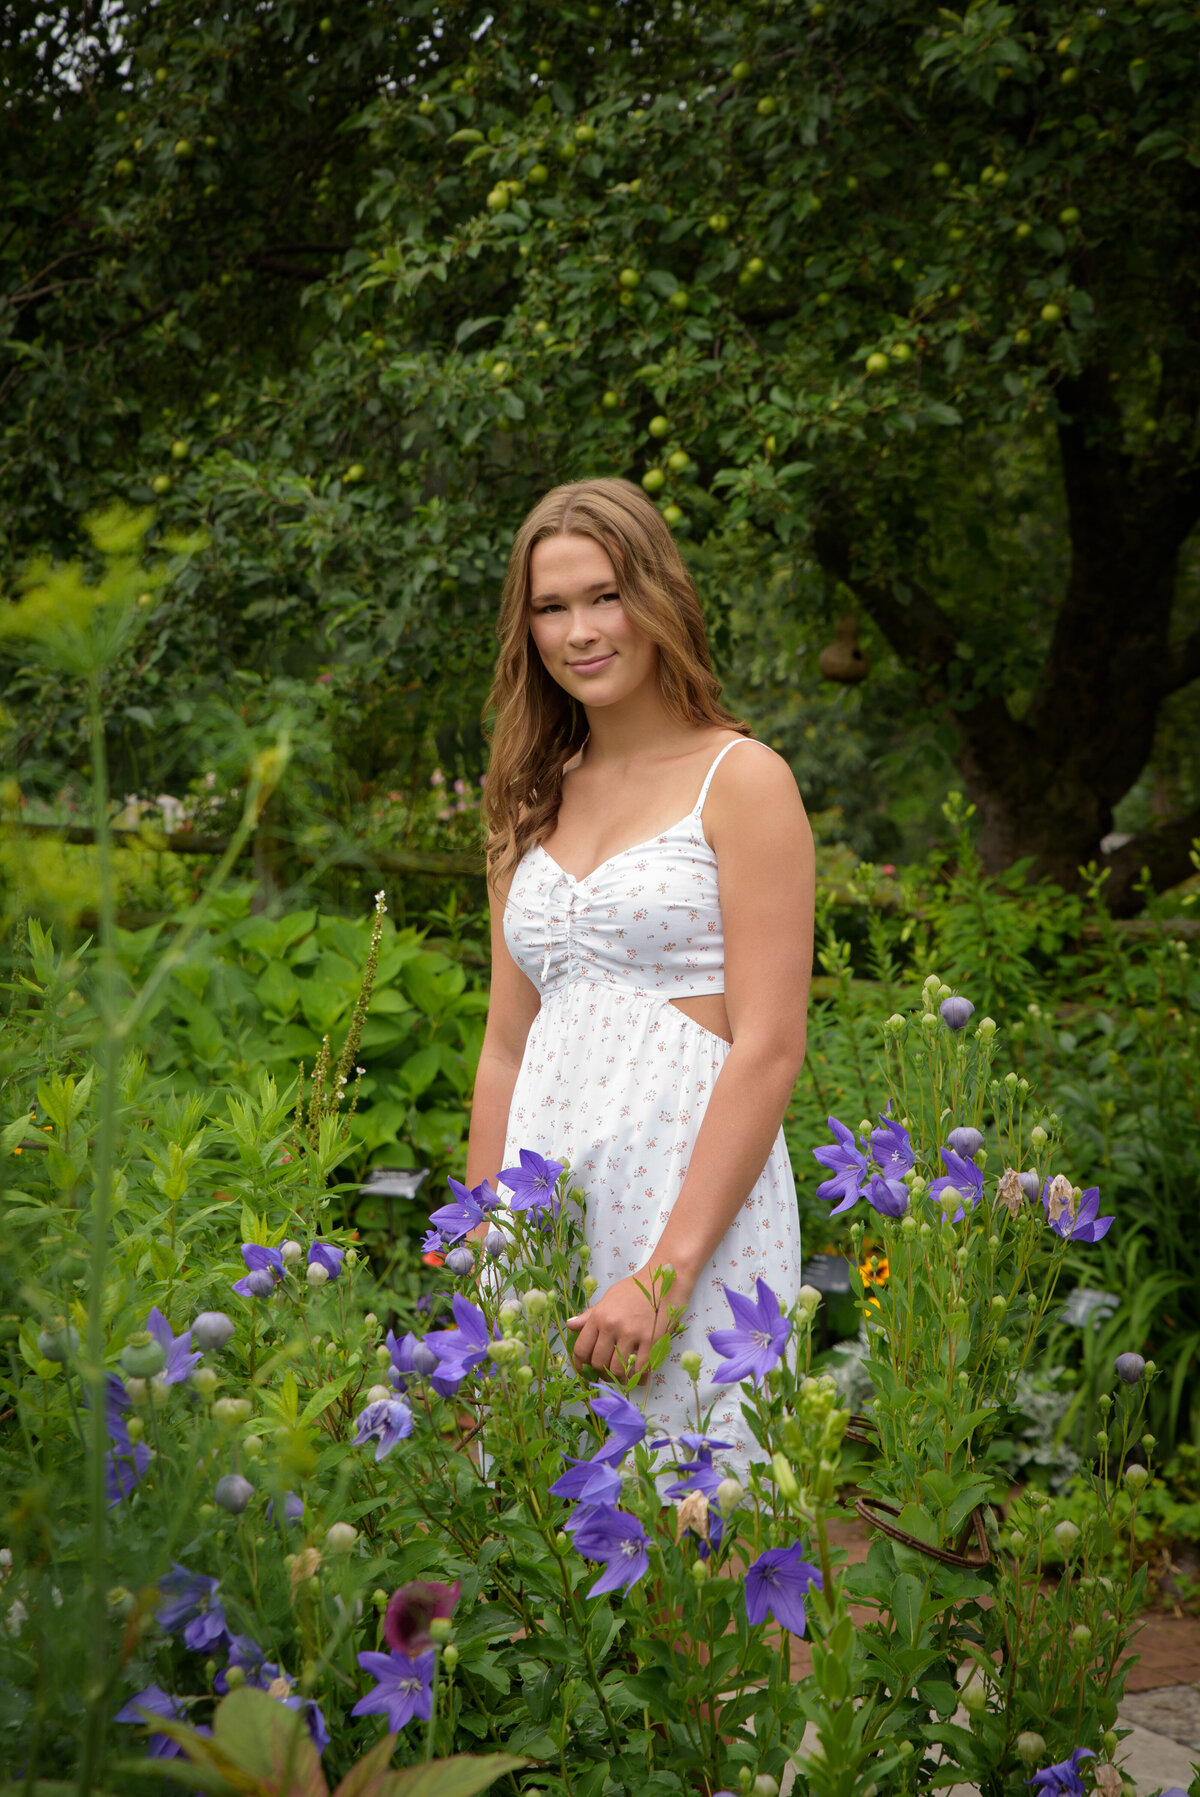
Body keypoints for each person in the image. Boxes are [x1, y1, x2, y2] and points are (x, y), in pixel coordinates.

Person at [466, 476, 813, 1466]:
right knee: (539, 1559)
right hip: (540, 1217)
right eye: (552, 606)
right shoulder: (522, 800)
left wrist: (666, 1273)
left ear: (658, 599)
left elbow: (771, 1047)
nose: (581, 630)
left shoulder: (741, 779)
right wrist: (485, 1258)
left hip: (686, 1212)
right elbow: (504, 1047)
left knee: (688, 1552)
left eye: (605, 596)